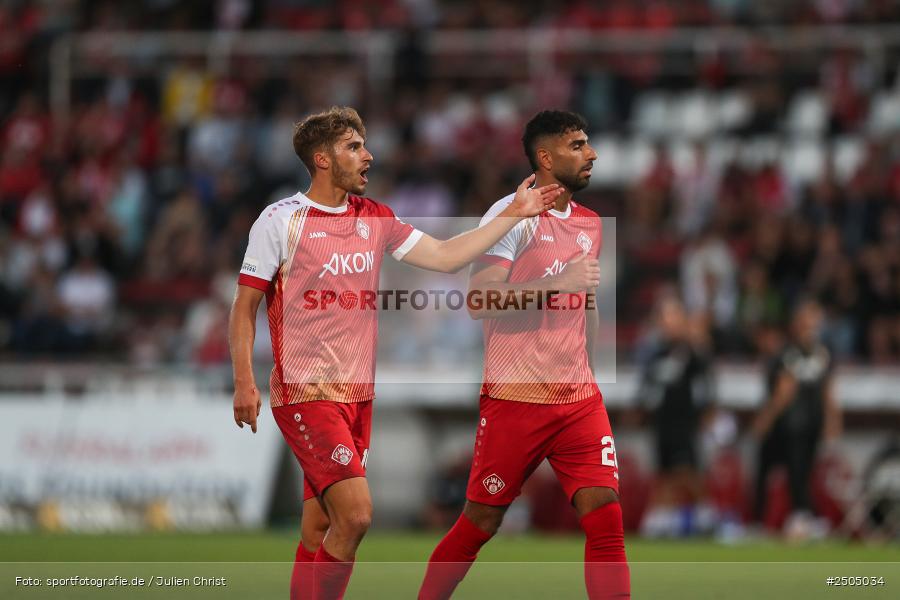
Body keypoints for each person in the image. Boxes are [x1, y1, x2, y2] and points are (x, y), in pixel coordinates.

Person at [228, 106, 562, 600]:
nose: (369, 155)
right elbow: (245, 306)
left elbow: (447, 258)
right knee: (357, 514)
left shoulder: (376, 218)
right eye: (354, 147)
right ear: (322, 159)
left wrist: (513, 214)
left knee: (319, 528)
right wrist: (243, 381)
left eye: (364, 145)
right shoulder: (280, 222)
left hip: (359, 396)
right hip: (305, 393)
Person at [418, 110, 630, 600]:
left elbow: (585, 303)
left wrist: (591, 377)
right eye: (577, 145)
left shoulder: (590, 224)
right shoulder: (509, 215)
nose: (591, 153)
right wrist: (558, 283)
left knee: (607, 519)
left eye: (588, 143)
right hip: (517, 399)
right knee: (480, 523)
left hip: (578, 401)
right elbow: (479, 300)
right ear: (545, 156)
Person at [751, 299, 842, 540]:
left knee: (798, 472)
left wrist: (833, 421)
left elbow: (825, 392)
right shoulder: (792, 354)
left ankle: (798, 518)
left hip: (806, 424)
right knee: (791, 472)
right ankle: (782, 519)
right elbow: (783, 393)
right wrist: (767, 419)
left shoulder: (819, 354)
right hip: (792, 425)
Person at [635, 295, 715, 537]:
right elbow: (645, 391)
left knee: (688, 472)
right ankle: (664, 519)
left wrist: (707, 416)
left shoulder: (692, 354)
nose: (668, 323)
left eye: (673, 317)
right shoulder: (655, 355)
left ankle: (706, 515)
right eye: (664, 318)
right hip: (662, 425)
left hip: (685, 424)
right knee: (665, 473)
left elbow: (706, 386)